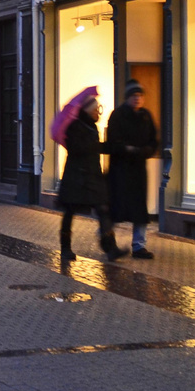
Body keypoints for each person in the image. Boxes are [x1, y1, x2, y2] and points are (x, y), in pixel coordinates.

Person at [57, 92, 121, 264]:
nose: (97, 112)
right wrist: (97, 146)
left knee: (103, 210)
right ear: (87, 110)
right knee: (69, 212)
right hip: (76, 177)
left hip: (93, 176)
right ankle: (65, 248)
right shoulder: (75, 126)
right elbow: (77, 148)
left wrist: (109, 147)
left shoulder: (91, 127)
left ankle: (110, 248)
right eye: (95, 109)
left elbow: (93, 148)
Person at [106, 80, 159, 259]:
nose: (137, 99)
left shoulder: (146, 116)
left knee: (139, 208)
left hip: (138, 170)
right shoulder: (118, 115)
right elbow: (113, 141)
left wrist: (145, 151)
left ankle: (139, 246)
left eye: (140, 96)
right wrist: (127, 149)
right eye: (134, 96)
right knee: (116, 206)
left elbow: (154, 140)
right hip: (120, 169)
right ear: (128, 98)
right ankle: (108, 241)